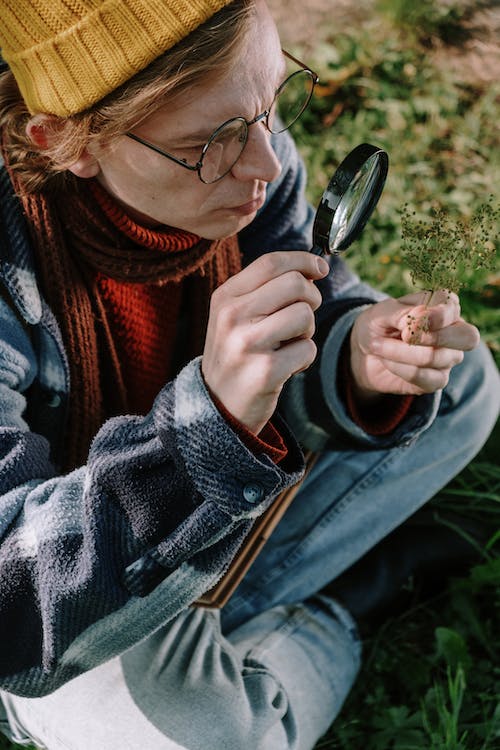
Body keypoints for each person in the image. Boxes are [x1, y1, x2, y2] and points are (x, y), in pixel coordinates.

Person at [0, 1, 497, 748]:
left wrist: (357, 355)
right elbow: (12, 598)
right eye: (212, 143)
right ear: (67, 141)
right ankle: (348, 599)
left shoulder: (246, 145)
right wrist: (211, 425)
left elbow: (320, 301)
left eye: (270, 107)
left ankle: (229, 621)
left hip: (206, 504)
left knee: (462, 382)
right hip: (74, 582)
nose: (266, 163)